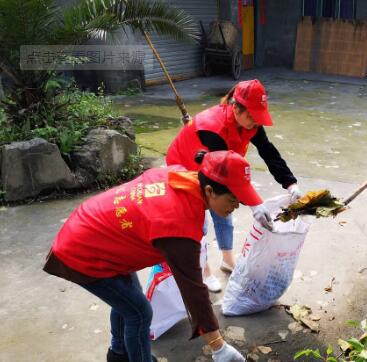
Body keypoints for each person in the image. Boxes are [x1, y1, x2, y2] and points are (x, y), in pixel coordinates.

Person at [43, 150, 253, 362]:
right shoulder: (178, 224)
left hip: (97, 231)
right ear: (210, 191)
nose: (236, 207)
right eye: (233, 199)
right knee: (140, 313)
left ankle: (119, 354)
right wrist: (218, 347)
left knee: (129, 298)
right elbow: (193, 290)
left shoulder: (181, 176)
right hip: (83, 251)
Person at [166, 79, 302, 291]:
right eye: (251, 116)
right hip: (187, 166)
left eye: (258, 117)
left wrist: (290, 183)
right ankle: (204, 270)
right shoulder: (213, 127)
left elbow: (267, 151)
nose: (255, 122)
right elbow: (228, 174)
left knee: (225, 211)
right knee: (197, 220)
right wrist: (255, 204)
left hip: (220, 165)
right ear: (235, 107)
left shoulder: (251, 123)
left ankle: (228, 259)